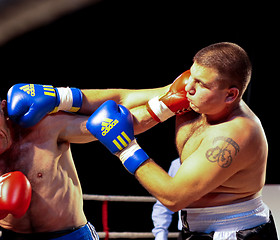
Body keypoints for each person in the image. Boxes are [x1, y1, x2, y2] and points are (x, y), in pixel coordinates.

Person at [86, 42, 278, 239]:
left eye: (201, 83)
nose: (188, 87)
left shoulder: (236, 134)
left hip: (235, 232)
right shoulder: (196, 98)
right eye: (191, 75)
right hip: (195, 229)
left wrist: (125, 148)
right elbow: (124, 101)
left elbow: (173, 197)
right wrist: (65, 98)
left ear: (230, 95)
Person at [0, 78, 170, 239]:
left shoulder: (45, 126)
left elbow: (111, 122)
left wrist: (169, 102)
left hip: (73, 235)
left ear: (2, 107)